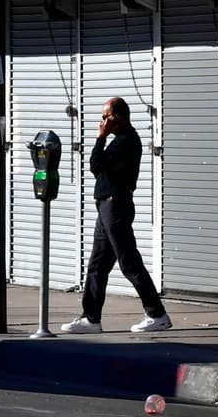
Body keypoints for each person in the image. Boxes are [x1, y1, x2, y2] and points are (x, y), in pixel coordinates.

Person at [62, 97, 172, 334]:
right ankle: (91, 318)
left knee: (129, 262)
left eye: (106, 117)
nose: (102, 122)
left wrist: (100, 138)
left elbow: (95, 165)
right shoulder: (120, 140)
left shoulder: (126, 141)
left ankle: (157, 314)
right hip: (106, 207)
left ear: (117, 117)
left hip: (116, 207)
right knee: (98, 265)